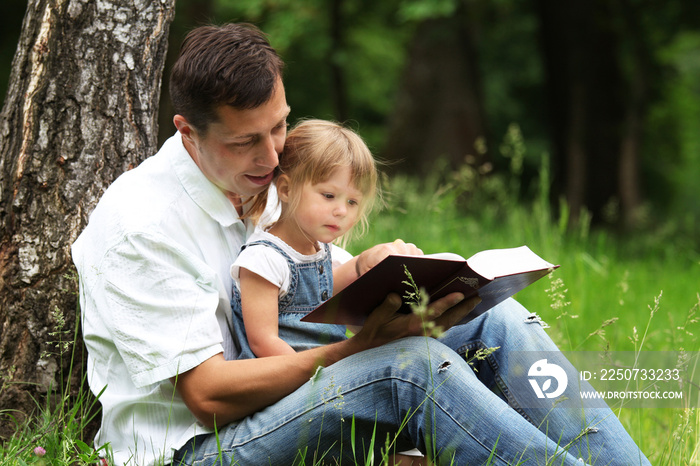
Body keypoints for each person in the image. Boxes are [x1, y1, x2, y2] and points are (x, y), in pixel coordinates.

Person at [72, 23, 651, 465]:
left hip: (286, 394)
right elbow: (208, 396)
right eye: (247, 141)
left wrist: (394, 276)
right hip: (202, 447)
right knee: (408, 367)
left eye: (280, 127)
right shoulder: (141, 225)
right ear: (187, 132)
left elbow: (319, 287)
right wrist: (362, 348)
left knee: (489, 319)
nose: (273, 157)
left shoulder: (264, 180)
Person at [231, 119, 378, 359]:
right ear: (287, 190)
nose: (342, 210)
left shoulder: (327, 255)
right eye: (329, 195)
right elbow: (263, 343)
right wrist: (324, 374)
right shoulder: (263, 260)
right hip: (287, 387)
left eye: (352, 202)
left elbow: (351, 324)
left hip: (329, 377)